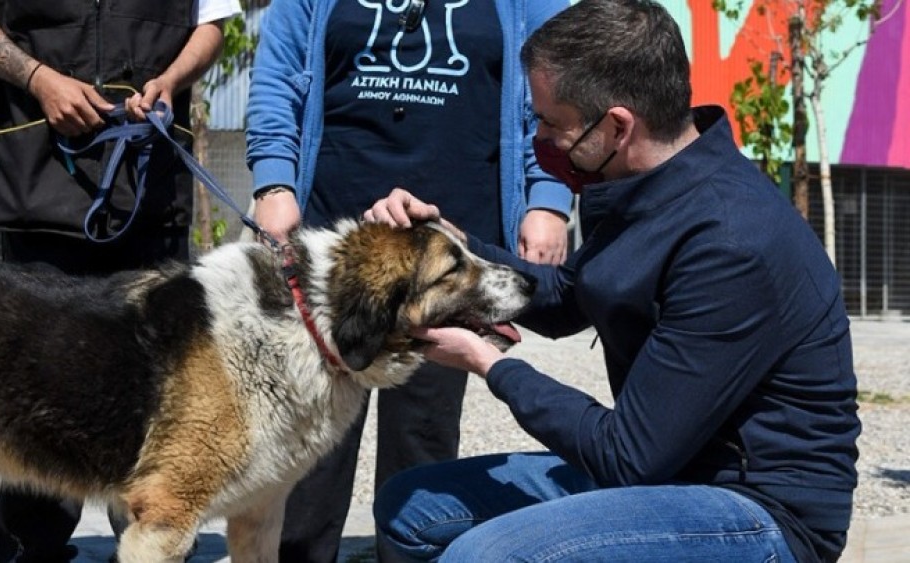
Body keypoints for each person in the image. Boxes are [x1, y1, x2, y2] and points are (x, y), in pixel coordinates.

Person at [363, 0, 861, 561]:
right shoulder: (643, 187)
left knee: (484, 556)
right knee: (410, 507)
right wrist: (451, 240)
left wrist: (489, 362)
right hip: (668, 471)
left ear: (618, 125)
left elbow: (627, 455)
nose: (542, 140)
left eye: (552, 123)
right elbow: (562, 298)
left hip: (756, 507)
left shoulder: (728, 240)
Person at [244, 0, 573, 560]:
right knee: (309, 435)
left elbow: (560, 83)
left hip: (455, 246)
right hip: (335, 242)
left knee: (423, 435)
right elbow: (278, 75)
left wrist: (548, 199)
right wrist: (274, 182)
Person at [0, 0, 239, 560]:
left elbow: (214, 24)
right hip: (37, 179)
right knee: (36, 393)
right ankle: (29, 551)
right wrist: (40, 79)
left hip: (150, 184)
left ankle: (154, 544)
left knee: (158, 399)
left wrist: (171, 80)